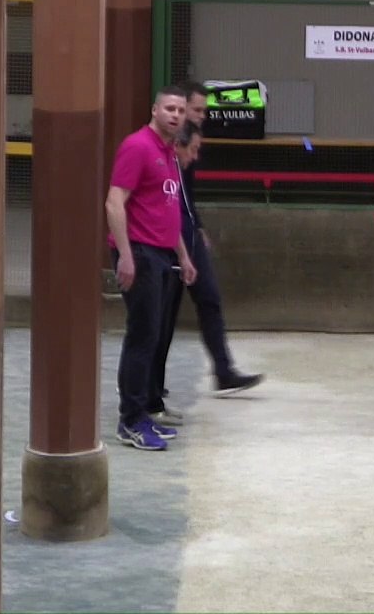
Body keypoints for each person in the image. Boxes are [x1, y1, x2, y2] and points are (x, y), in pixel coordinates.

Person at [150, 85, 264, 426]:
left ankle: (223, 370)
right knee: (161, 318)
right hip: (167, 239)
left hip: (186, 234)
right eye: (195, 111)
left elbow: (186, 199)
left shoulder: (187, 152)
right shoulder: (165, 152)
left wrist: (196, 230)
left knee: (208, 298)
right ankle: (151, 388)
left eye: (200, 112)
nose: (200, 117)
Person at [106, 85, 197, 451]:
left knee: (154, 336)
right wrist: (126, 256)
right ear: (155, 110)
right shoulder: (138, 147)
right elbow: (114, 203)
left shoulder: (169, 152)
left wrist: (184, 256)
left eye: (180, 110)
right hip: (140, 254)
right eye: (169, 109)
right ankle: (130, 420)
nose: (176, 115)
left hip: (162, 254)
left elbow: (167, 209)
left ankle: (142, 414)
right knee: (142, 337)